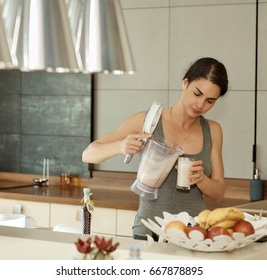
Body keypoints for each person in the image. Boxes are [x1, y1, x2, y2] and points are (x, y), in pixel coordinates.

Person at [82, 57, 229, 240]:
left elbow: (219, 193)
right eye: (197, 93)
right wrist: (120, 146)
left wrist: (201, 179)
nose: (200, 105)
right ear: (185, 83)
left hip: (194, 235)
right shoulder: (147, 121)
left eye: (210, 101)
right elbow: (88, 154)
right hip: (149, 233)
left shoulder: (213, 131)